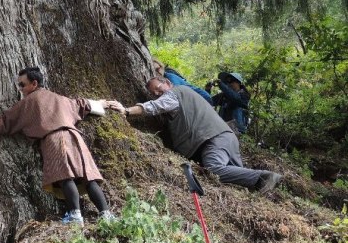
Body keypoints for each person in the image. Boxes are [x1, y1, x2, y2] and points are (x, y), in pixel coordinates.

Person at [0, 67, 116, 225]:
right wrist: (101, 103)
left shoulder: (29, 102)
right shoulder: (59, 98)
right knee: (88, 177)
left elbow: (6, 120)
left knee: (65, 176)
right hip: (75, 137)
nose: (20, 89)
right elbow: (81, 104)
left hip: (54, 139)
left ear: (34, 83)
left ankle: (75, 215)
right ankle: (106, 214)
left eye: (22, 85)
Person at [106, 77, 281, 192]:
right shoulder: (184, 96)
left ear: (167, 82)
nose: (157, 94)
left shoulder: (175, 94)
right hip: (226, 138)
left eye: (158, 89)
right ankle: (267, 183)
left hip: (213, 140)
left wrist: (127, 111)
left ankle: (265, 176)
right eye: (153, 93)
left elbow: (154, 106)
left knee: (214, 169)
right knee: (239, 179)